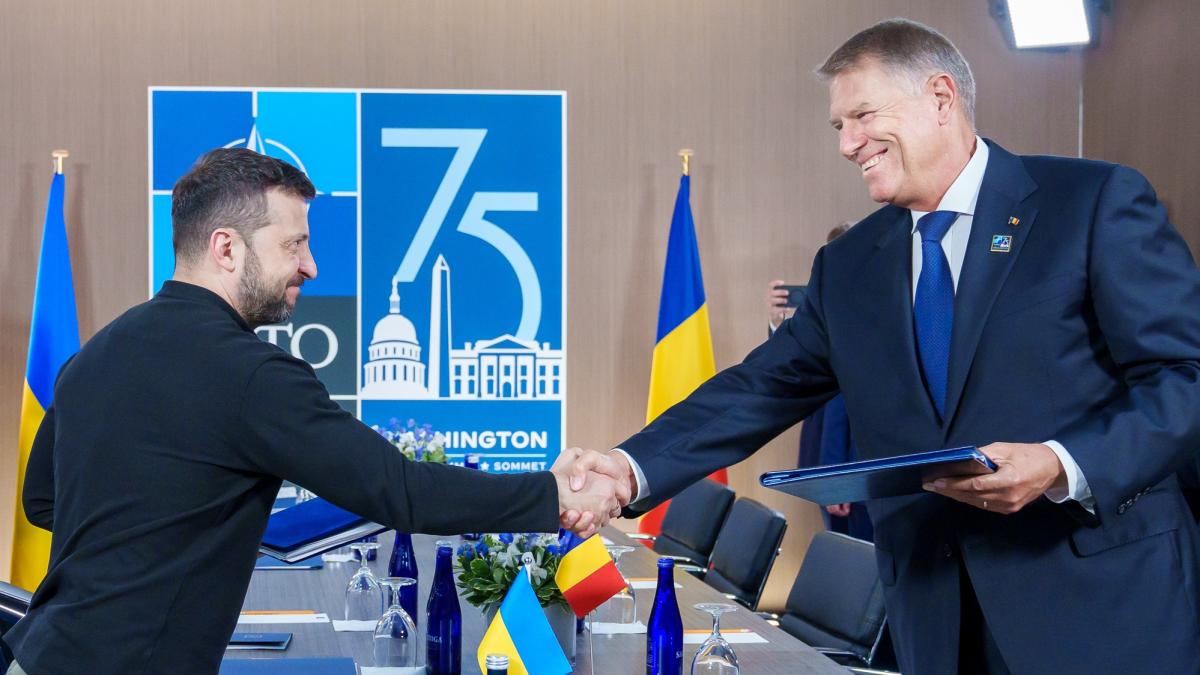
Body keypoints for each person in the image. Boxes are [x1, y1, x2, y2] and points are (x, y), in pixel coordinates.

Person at [565, 18, 1200, 673]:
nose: (847, 144)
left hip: (1103, 610)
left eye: (862, 116)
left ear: (941, 98)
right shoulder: (849, 266)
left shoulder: (1091, 203)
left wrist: (1062, 464)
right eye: (839, 126)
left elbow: (1186, 374)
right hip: (936, 622)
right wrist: (627, 468)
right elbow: (756, 390)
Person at [3, 148, 623, 675]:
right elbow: (402, 492)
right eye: (294, 243)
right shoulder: (252, 375)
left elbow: (42, 502)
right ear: (226, 248)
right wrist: (554, 493)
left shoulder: (94, 355)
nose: (310, 265)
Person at [768, 223, 873, 541]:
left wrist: (836, 474)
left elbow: (842, 401)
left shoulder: (870, 309)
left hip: (856, 468)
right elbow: (788, 376)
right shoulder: (826, 306)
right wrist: (778, 325)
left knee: (862, 558)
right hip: (835, 467)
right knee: (847, 553)